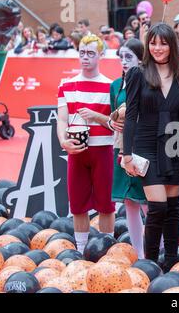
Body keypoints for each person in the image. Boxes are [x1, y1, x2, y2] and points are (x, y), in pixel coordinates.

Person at [123, 23, 179, 272]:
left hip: (173, 146)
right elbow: (130, 116)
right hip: (146, 146)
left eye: (163, 43)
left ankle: (170, 262)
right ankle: (149, 266)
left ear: (172, 45)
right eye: (153, 42)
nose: (158, 48)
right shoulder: (137, 74)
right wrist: (127, 154)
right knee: (157, 207)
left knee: (172, 208)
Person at [57, 35, 115, 253]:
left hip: (104, 150)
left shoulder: (111, 86)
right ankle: (81, 250)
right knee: (78, 203)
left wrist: (97, 118)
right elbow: (62, 118)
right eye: (82, 52)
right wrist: (64, 141)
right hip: (76, 151)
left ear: (101, 55)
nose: (85, 57)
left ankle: (107, 247)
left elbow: (115, 123)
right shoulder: (67, 84)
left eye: (91, 53)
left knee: (106, 204)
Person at [109, 38, 147, 259]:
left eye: (129, 57)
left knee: (147, 202)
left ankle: (156, 251)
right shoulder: (115, 85)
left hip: (142, 147)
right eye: (121, 57)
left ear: (140, 59)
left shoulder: (148, 81)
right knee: (129, 202)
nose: (123, 61)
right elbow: (112, 116)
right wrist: (112, 121)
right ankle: (139, 254)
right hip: (121, 146)